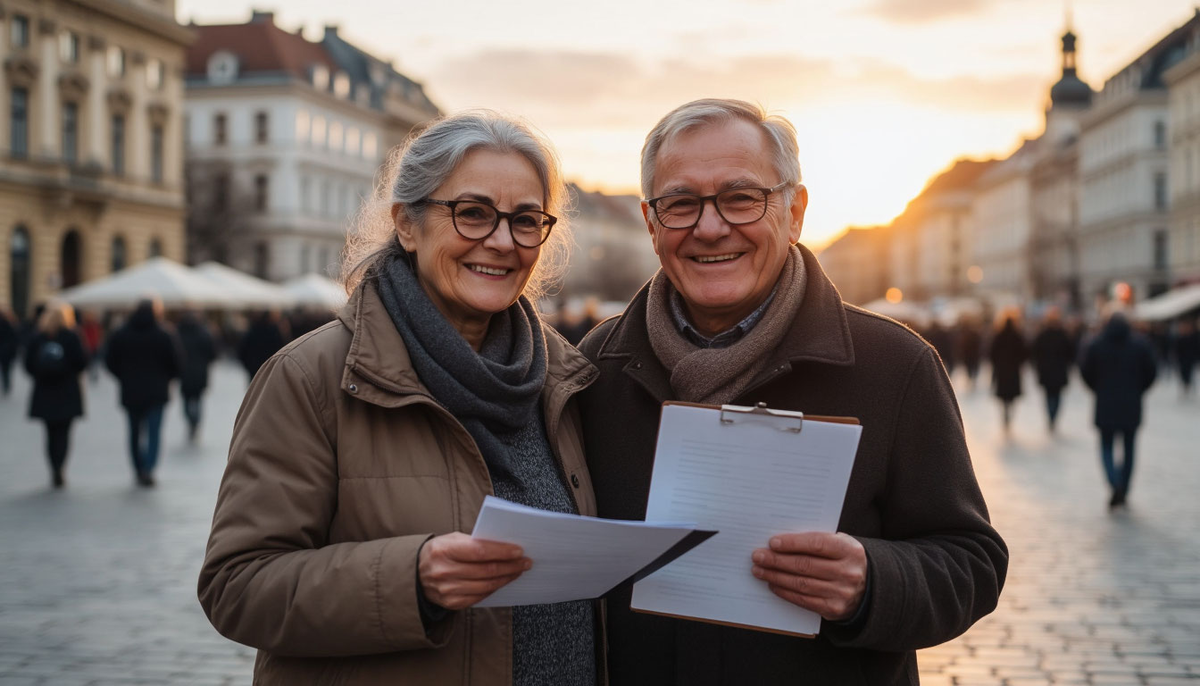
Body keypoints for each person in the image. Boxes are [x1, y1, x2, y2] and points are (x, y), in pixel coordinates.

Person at [576, 99, 1006, 684]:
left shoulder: (895, 365)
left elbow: (972, 564)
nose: (710, 227)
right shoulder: (596, 366)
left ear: (794, 211)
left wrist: (873, 581)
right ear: (652, 225)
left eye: (741, 198)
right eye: (680, 203)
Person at [198, 111, 602, 685]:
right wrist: (411, 579)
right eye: (473, 213)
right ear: (407, 225)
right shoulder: (311, 376)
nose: (502, 241)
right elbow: (237, 586)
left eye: (525, 220)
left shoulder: (565, 379)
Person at [1080, 308, 1157, 509]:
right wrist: (1138, 389)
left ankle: (1114, 483)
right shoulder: (1140, 344)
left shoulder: (1096, 344)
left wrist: (1098, 389)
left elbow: (1086, 372)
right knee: (1129, 448)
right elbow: (1151, 372)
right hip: (1131, 405)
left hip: (1105, 404)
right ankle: (1124, 487)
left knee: (1106, 447)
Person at [105, 298, 182, 487]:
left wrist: (123, 376)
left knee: (134, 432)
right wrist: (166, 378)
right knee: (154, 433)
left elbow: (109, 361)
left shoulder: (121, 333)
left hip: (131, 391)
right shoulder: (164, 334)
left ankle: (138, 468)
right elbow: (177, 363)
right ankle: (149, 468)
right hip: (157, 391)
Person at [24, 300, 87, 488]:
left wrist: (41, 374)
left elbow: (28, 364)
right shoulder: (72, 336)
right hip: (67, 391)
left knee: (50, 433)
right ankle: (60, 466)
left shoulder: (38, 337)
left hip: (45, 392)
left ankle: (53, 466)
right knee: (64, 433)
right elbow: (82, 362)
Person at [1031, 307, 1075, 433]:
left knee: (1049, 396)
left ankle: (1051, 416)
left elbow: (1035, 353)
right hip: (1058, 371)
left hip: (1047, 371)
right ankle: (1053, 416)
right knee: (1056, 396)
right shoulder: (1062, 335)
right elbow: (1070, 353)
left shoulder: (1043, 335)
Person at [176, 311, 218, 442]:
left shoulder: (179, 334)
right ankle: (195, 422)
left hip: (184, 373)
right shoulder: (204, 333)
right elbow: (212, 354)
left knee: (186, 399)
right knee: (198, 399)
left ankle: (191, 421)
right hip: (200, 372)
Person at [989, 308, 1027, 433]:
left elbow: (992, 353)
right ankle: (1009, 415)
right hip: (1014, 370)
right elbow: (1024, 353)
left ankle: (1005, 414)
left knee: (1004, 396)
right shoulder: (1017, 335)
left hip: (1002, 370)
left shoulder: (998, 335)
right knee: (1012, 396)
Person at [236, 310, 287, 381]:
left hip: (254, 369)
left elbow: (242, 350)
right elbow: (281, 349)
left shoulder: (252, 331)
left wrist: (249, 365)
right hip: (269, 368)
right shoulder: (273, 331)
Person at [958, 315, 984, 390]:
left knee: (969, 367)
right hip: (974, 355)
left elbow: (962, 345)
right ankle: (972, 379)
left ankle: (970, 378)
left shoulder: (964, 334)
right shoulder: (975, 333)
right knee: (973, 367)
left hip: (968, 355)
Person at [1175, 318, 1199, 396]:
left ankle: (1188, 386)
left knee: (1189, 374)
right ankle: (1185, 386)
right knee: (1183, 374)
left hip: (1190, 359)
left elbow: (1196, 348)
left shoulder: (1193, 337)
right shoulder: (1180, 338)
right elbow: (1177, 350)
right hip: (1182, 360)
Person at [0, 307, 18, 396]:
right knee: (6, 370)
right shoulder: (12, 324)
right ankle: (6, 385)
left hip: (5, 351)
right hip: (7, 352)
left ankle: (6, 385)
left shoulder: (9, 324)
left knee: (5, 370)